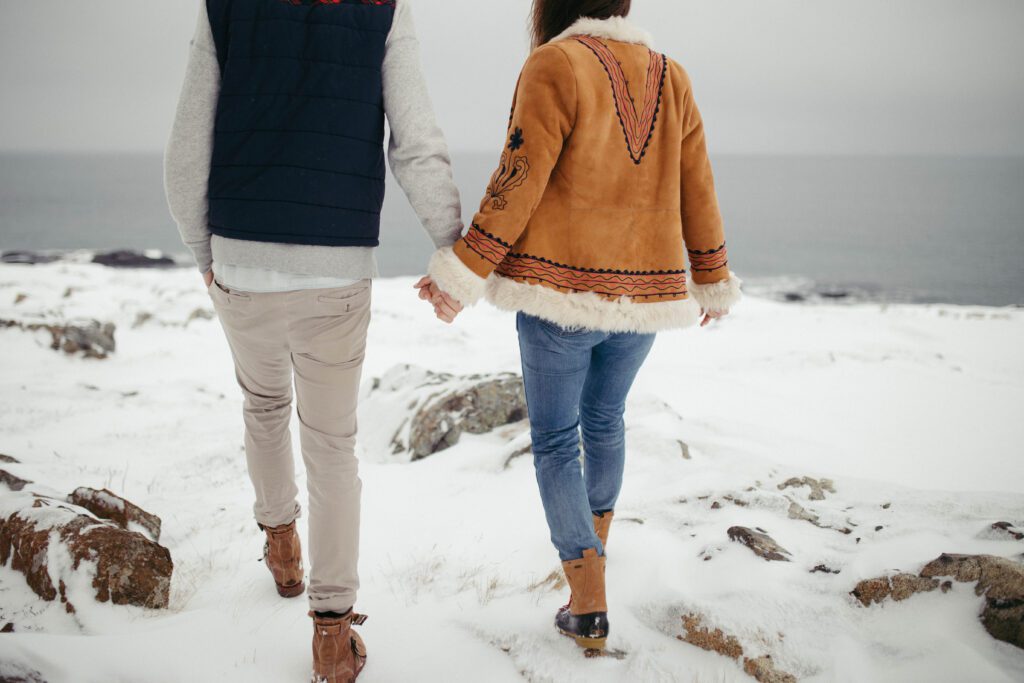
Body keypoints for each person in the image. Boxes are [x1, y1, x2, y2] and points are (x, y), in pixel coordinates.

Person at [416, 0, 741, 654]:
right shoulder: (671, 74)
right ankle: (591, 557)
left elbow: (518, 180)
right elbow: (697, 185)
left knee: (558, 441)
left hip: (557, 296)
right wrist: (711, 277)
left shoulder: (554, 64)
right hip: (644, 298)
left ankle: (587, 597)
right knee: (605, 420)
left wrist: (462, 272)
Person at [165, 1, 462, 680]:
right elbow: (415, 141)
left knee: (263, 406)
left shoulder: (227, 6)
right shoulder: (383, 8)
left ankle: (282, 547)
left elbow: (185, 150)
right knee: (331, 444)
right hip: (336, 268)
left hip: (241, 260)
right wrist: (453, 249)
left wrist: (206, 250)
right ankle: (332, 634)